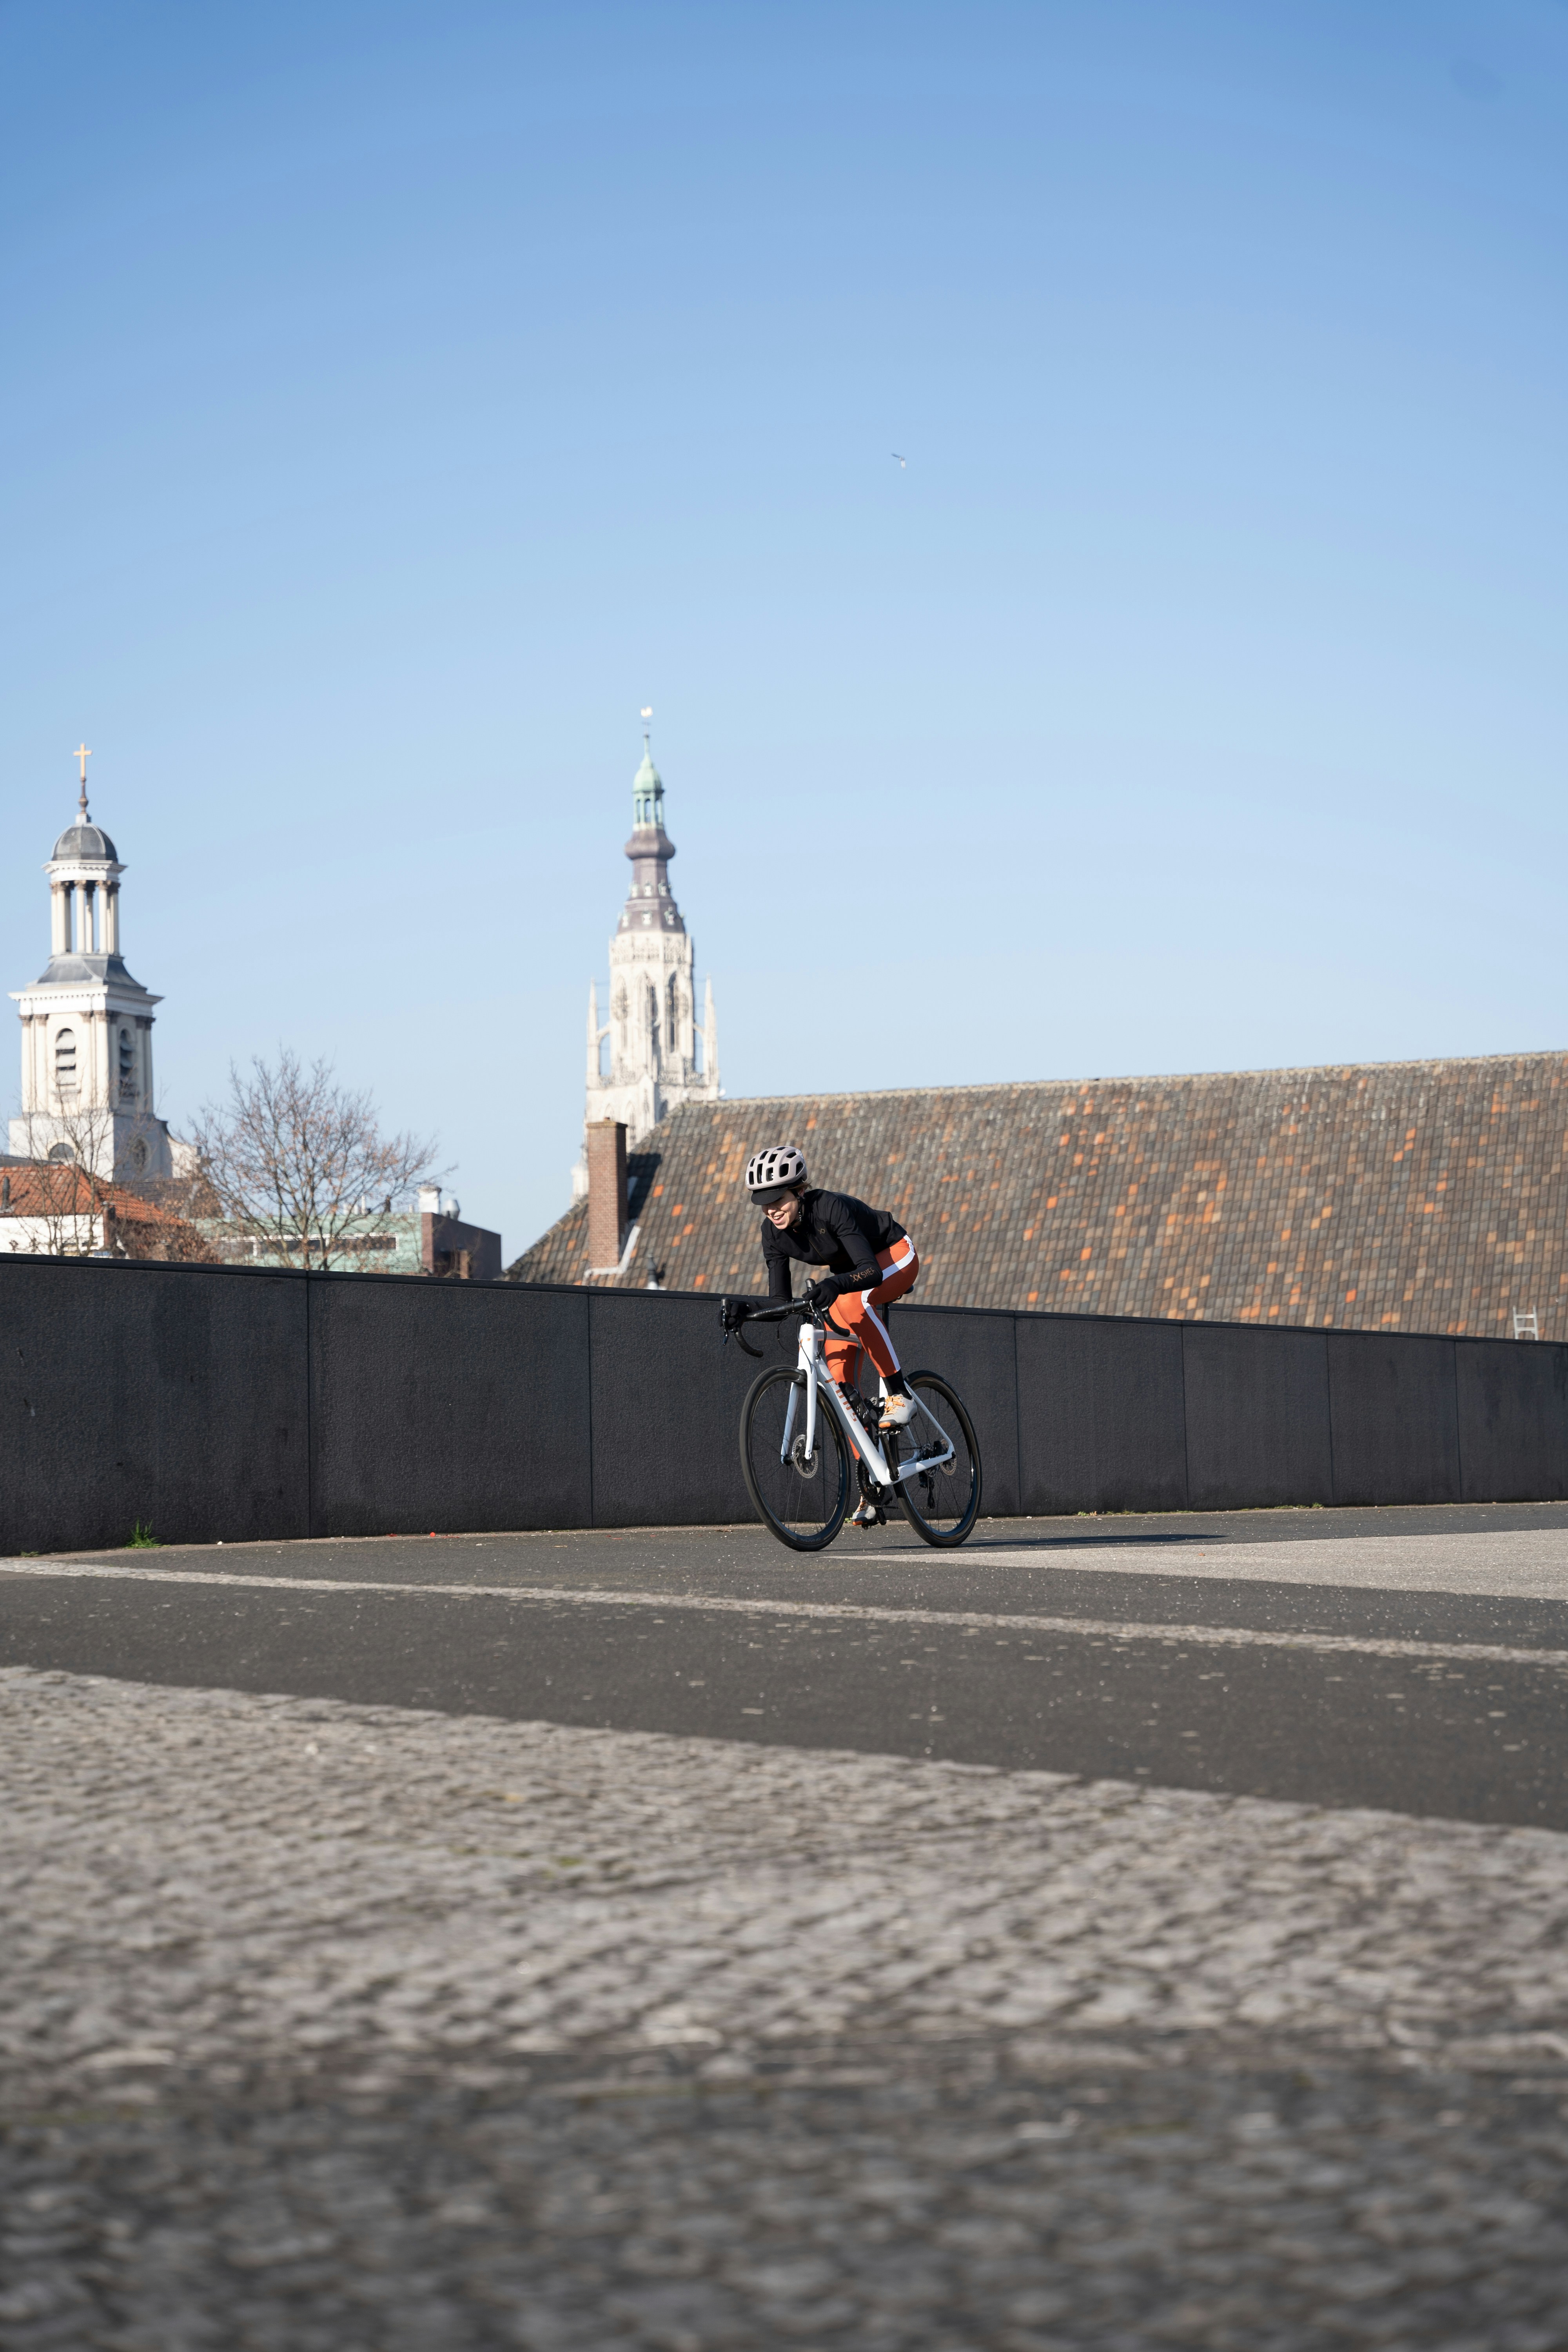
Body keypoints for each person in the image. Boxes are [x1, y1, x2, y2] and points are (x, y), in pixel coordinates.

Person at [722, 1142, 921, 1438]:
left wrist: (834, 1283)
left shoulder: (829, 1207)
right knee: (839, 1381)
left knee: (853, 1304)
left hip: (894, 1255)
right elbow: (780, 1302)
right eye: (763, 1202)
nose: (771, 1210)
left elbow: (871, 1270)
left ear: (800, 1192)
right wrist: (747, 1311)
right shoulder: (771, 1235)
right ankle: (868, 1471)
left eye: (778, 1199)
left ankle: (900, 1393)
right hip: (849, 1281)